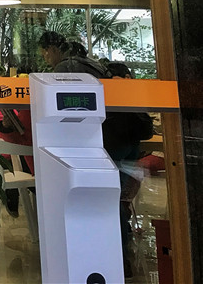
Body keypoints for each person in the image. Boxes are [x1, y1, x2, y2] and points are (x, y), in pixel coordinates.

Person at [39, 32, 153, 275]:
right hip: (127, 137)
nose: (46, 58)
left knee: (105, 198)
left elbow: (68, 109)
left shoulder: (66, 69)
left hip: (108, 140)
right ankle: (119, 253)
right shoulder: (95, 66)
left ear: (54, 49)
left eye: (45, 52)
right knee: (114, 196)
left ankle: (113, 258)